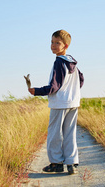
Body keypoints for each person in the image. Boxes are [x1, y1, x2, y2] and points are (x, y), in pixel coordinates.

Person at [26, 29, 84, 175]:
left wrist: (37, 91)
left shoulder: (59, 62)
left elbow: (54, 87)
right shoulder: (73, 63)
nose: (53, 45)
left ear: (65, 46)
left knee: (54, 134)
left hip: (60, 104)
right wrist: (73, 92)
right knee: (70, 133)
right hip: (73, 102)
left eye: (57, 43)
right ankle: (71, 164)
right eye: (52, 42)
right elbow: (81, 80)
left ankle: (56, 163)